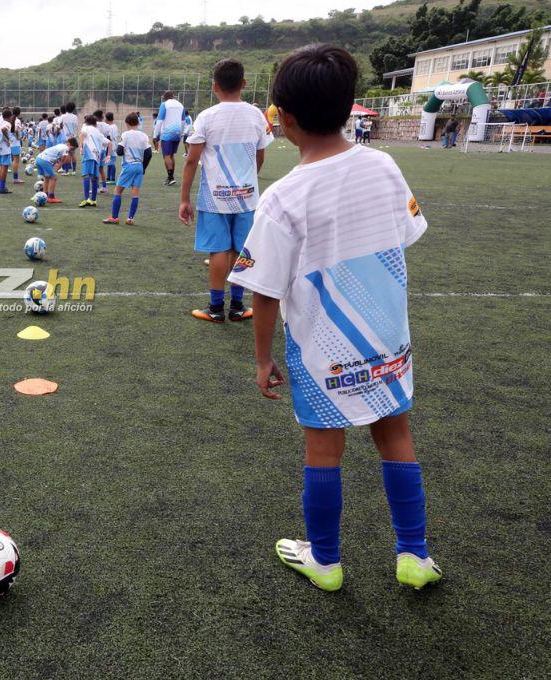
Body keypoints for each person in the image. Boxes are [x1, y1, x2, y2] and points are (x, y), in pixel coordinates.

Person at [228, 44, 442, 593]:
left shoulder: (282, 197)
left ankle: (325, 561)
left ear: (285, 118)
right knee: (395, 436)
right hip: (387, 341)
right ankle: (414, 555)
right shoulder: (384, 166)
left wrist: (262, 360)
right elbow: (405, 235)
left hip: (322, 349)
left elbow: (264, 293)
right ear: (349, 107)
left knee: (323, 450)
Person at [179, 58, 273, 323]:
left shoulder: (206, 117)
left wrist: (184, 199)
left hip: (215, 197)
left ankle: (216, 308)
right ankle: (238, 306)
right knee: (242, 250)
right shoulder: (256, 115)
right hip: (247, 197)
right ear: (244, 83)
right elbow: (260, 156)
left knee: (218, 250)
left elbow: (191, 160)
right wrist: (247, 182)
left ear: (215, 86)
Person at [103, 112, 151, 225]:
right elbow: (149, 153)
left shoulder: (126, 134)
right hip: (139, 166)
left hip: (129, 165)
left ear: (127, 123)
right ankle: (130, 218)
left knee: (118, 190)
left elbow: (119, 151)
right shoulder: (144, 135)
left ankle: (114, 217)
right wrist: (143, 167)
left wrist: (123, 149)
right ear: (137, 123)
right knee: (135, 193)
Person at [153, 90, 188, 185]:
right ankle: (170, 177)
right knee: (171, 155)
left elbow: (159, 121)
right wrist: (180, 132)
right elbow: (183, 121)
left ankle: (171, 177)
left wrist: (155, 135)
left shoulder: (164, 104)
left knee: (166, 156)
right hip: (177, 133)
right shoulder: (180, 105)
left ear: (165, 97)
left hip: (167, 133)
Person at [77, 114, 109, 207]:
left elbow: (82, 135)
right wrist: (108, 155)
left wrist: (81, 147)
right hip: (97, 156)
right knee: (95, 177)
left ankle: (86, 199)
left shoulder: (86, 128)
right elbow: (109, 143)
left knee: (86, 176)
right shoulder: (98, 132)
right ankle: (94, 200)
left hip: (88, 155)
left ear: (86, 122)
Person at [35, 138, 77, 203]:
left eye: (74, 150)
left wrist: (56, 168)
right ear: (68, 144)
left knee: (46, 178)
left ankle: (45, 195)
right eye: (72, 149)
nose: (72, 151)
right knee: (54, 178)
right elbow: (64, 160)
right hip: (44, 160)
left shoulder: (61, 146)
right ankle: (51, 197)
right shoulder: (66, 148)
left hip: (39, 158)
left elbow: (56, 158)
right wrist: (57, 169)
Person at [0, 107, 14, 194]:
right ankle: (2, 188)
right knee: (4, 168)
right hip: (4, 148)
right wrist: (8, 139)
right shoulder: (7, 124)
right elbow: (4, 129)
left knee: (1, 168)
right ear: (9, 116)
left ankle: (0, 187)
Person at [60, 102, 79, 174]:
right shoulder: (75, 117)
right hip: (73, 137)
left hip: (66, 137)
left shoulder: (63, 116)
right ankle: (74, 171)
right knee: (73, 154)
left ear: (66, 108)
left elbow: (60, 126)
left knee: (66, 154)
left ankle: (66, 171)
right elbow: (76, 126)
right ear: (73, 109)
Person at [10, 106, 25, 184]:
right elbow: (16, 129)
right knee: (16, 160)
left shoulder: (10, 119)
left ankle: (1, 173)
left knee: (11, 159)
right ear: (19, 113)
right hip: (15, 142)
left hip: (10, 142)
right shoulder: (17, 120)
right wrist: (17, 137)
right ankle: (15, 178)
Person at [104, 111, 119, 185]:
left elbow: (109, 137)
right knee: (109, 162)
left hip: (111, 147)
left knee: (111, 162)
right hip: (113, 146)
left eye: (105, 118)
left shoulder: (110, 127)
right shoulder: (114, 126)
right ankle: (108, 178)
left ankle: (112, 179)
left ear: (107, 118)